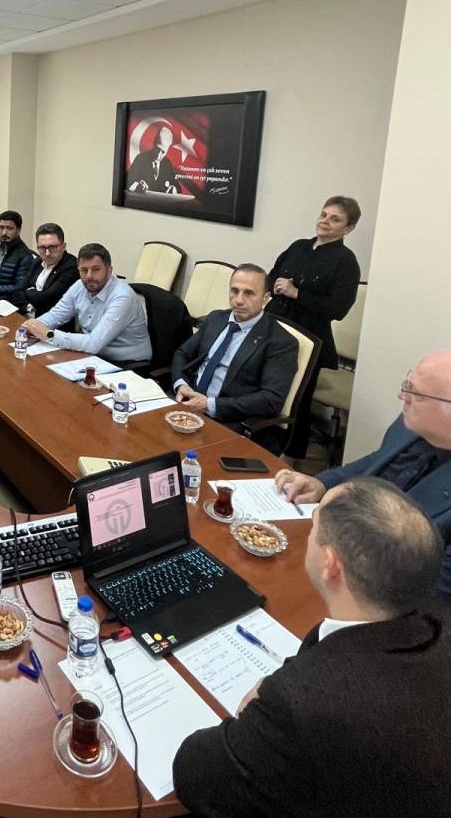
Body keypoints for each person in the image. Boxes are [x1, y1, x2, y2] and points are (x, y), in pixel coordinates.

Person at [173, 477, 451, 818]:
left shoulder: (304, 702)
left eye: (314, 525)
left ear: (331, 564)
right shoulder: (437, 627)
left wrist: (260, 708)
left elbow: (194, 775)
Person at [276, 350, 451, 599]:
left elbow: (437, 593)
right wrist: (322, 483)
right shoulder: (410, 424)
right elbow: (378, 460)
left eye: (417, 394)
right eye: (407, 384)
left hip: (375, 593)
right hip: (337, 546)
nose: (402, 396)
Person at [266, 196, 361, 457]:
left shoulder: (346, 261)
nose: (325, 222)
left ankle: (291, 458)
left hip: (309, 338)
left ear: (348, 228)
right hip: (275, 327)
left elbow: (338, 309)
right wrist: (275, 285)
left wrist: (297, 293)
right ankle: (262, 444)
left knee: (297, 400)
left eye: (335, 219)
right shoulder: (298, 246)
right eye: (324, 215)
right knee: (265, 388)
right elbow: (272, 274)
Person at [171, 265, 298, 431]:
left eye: (249, 293)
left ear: (266, 298)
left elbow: (271, 399)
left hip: (226, 421)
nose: (238, 300)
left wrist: (210, 405)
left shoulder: (280, 341)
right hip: (186, 405)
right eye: (234, 291)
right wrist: (181, 384)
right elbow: (182, 353)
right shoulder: (216, 318)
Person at [22, 243, 151, 364]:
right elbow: (56, 315)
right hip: (93, 356)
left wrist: (48, 334)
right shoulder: (80, 286)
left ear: (109, 270)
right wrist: (32, 326)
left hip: (127, 364)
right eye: (84, 270)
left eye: (96, 269)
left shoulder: (122, 297)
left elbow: (94, 343)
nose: (89, 276)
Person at [14, 222, 79, 317]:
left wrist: (29, 291)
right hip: (27, 315)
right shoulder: (38, 261)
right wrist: (29, 308)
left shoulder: (71, 267)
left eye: (52, 247)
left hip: (53, 322)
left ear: (63, 246)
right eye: (42, 248)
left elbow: (46, 300)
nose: (47, 253)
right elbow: (18, 291)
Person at [126, 125, 179, 194]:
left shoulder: (167, 163)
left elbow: (176, 185)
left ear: (168, 149)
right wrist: (137, 185)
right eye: (157, 149)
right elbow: (128, 181)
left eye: (163, 152)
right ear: (154, 143)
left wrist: (174, 188)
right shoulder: (140, 159)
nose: (158, 156)